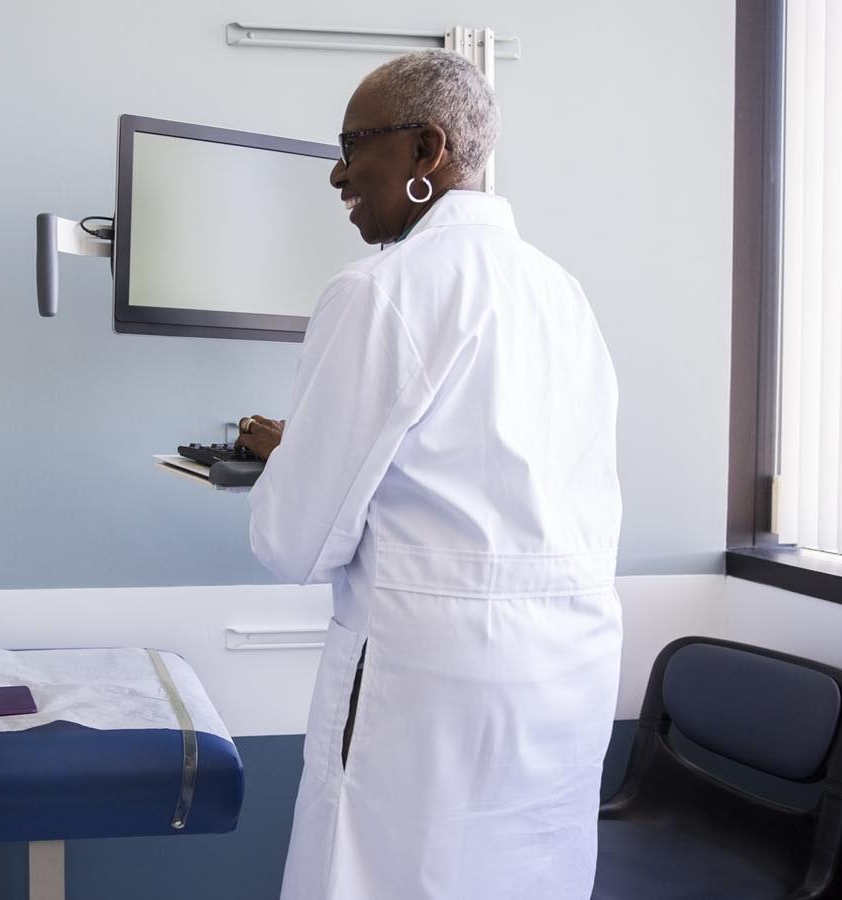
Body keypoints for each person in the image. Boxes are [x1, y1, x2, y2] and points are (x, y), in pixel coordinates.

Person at [237, 50, 623, 899]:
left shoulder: (380, 291)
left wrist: (293, 463)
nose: (338, 174)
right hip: (566, 678)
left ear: (427, 151)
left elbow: (291, 542)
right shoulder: (566, 297)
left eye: (352, 146)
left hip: (428, 683)